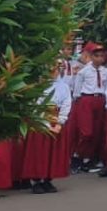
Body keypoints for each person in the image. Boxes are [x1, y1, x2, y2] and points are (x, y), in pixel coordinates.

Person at [21, 62, 73, 195]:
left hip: (56, 119)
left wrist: (60, 122)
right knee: (39, 152)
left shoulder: (63, 86)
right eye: (51, 69)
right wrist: (44, 123)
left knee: (53, 152)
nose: (54, 72)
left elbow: (66, 103)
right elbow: (35, 104)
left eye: (56, 69)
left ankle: (48, 179)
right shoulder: (38, 86)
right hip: (40, 120)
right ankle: (36, 180)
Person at [71, 41, 107, 172]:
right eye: (96, 56)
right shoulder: (84, 72)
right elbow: (77, 89)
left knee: (97, 131)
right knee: (86, 132)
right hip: (86, 99)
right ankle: (77, 156)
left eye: (101, 56)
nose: (99, 58)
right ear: (91, 56)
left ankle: (88, 159)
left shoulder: (106, 72)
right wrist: (78, 102)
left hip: (100, 99)